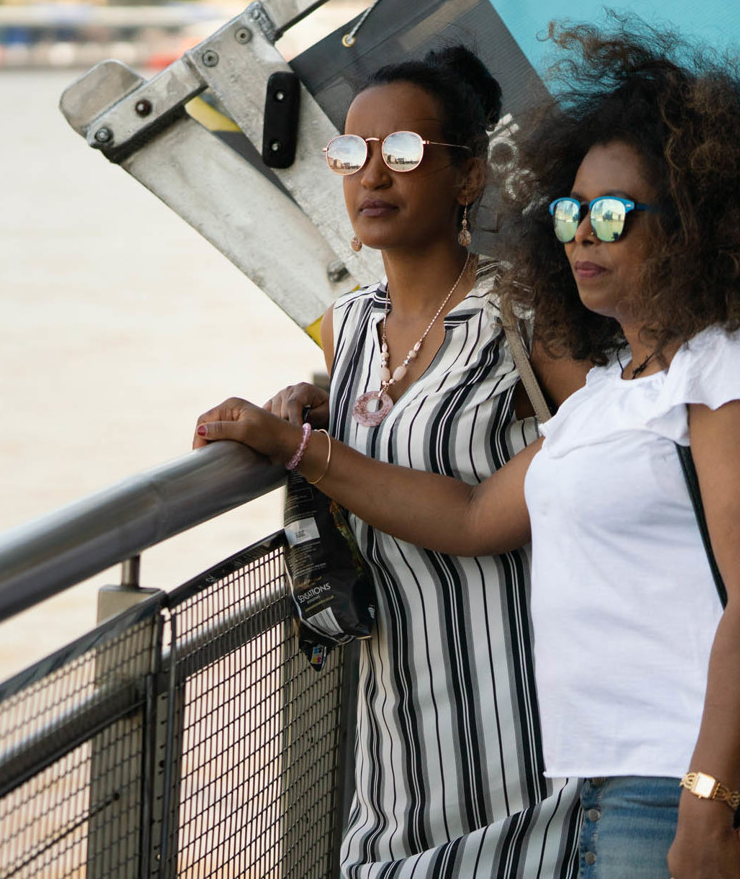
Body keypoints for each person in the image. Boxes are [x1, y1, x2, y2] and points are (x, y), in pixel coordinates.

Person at [197, 20, 740, 879]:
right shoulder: (614, 394)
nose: (583, 234)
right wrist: (297, 447)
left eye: (613, 214)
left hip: (693, 783)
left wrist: (706, 804)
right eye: (570, 213)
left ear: (693, 225)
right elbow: (472, 515)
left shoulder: (731, 363)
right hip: (596, 779)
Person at [226, 44, 596, 879]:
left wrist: (302, 447)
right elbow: (377, 424)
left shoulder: (528, 316)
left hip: (528, 740)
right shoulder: (347, 328)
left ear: (467, 178)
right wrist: (307, 400)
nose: (372, 177)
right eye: (353, 155)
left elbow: (627, 461)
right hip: (397, 751)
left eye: (402, 155)